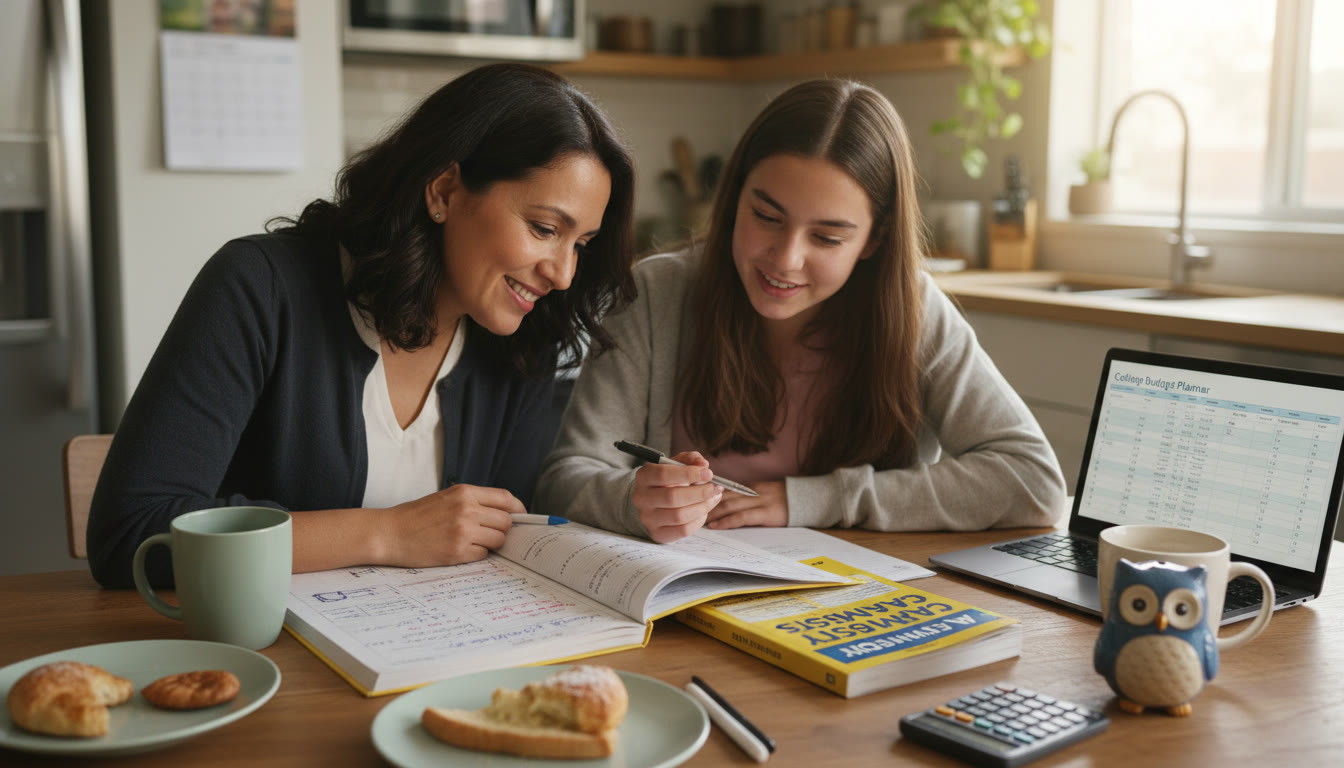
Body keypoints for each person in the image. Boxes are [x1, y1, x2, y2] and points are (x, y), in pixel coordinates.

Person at [88, 64, 636, 587]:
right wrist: (387, 532)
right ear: (444, 191)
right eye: (544, 229)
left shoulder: (526, 343)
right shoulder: (260, 287)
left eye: (581, 245)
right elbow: (133, 533)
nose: (564, 274)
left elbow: (504, 542)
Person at [535, 78, 1066, 544]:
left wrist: (812, 500)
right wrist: (632, 500)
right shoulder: (658, 293)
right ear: (734, 195)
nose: (786, 260)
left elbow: (1032, 481)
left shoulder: (915, 312)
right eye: (766, 216)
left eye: (828, 237)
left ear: (874, 240)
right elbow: (566, 476)